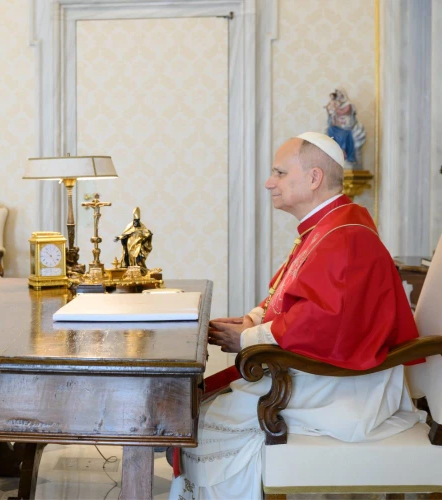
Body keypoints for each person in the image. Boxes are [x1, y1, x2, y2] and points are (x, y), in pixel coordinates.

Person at [169, 132, 424, 499]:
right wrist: (253, 322)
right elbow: (287, 293)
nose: (269, 182)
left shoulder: (346, 235)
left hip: (347, 386)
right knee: (205, 408)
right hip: (322, 367)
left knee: (211, 420)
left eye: (280, 172)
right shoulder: (326, 227)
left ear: (314, 177)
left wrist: (246, 339)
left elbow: (326, 323)